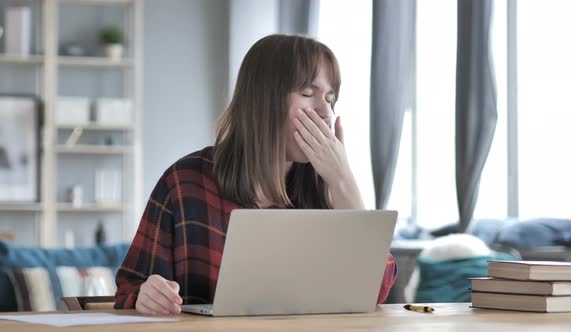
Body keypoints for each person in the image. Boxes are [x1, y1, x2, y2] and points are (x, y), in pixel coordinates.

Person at [114, 34, 397, 315]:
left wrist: (343, 179)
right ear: (265, 99)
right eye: (309, 94)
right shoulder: (183, 183)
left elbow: (376, 290)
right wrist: (146, 295)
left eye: (331, 98)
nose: (326, 111)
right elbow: (129, 290)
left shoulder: (325, 188)